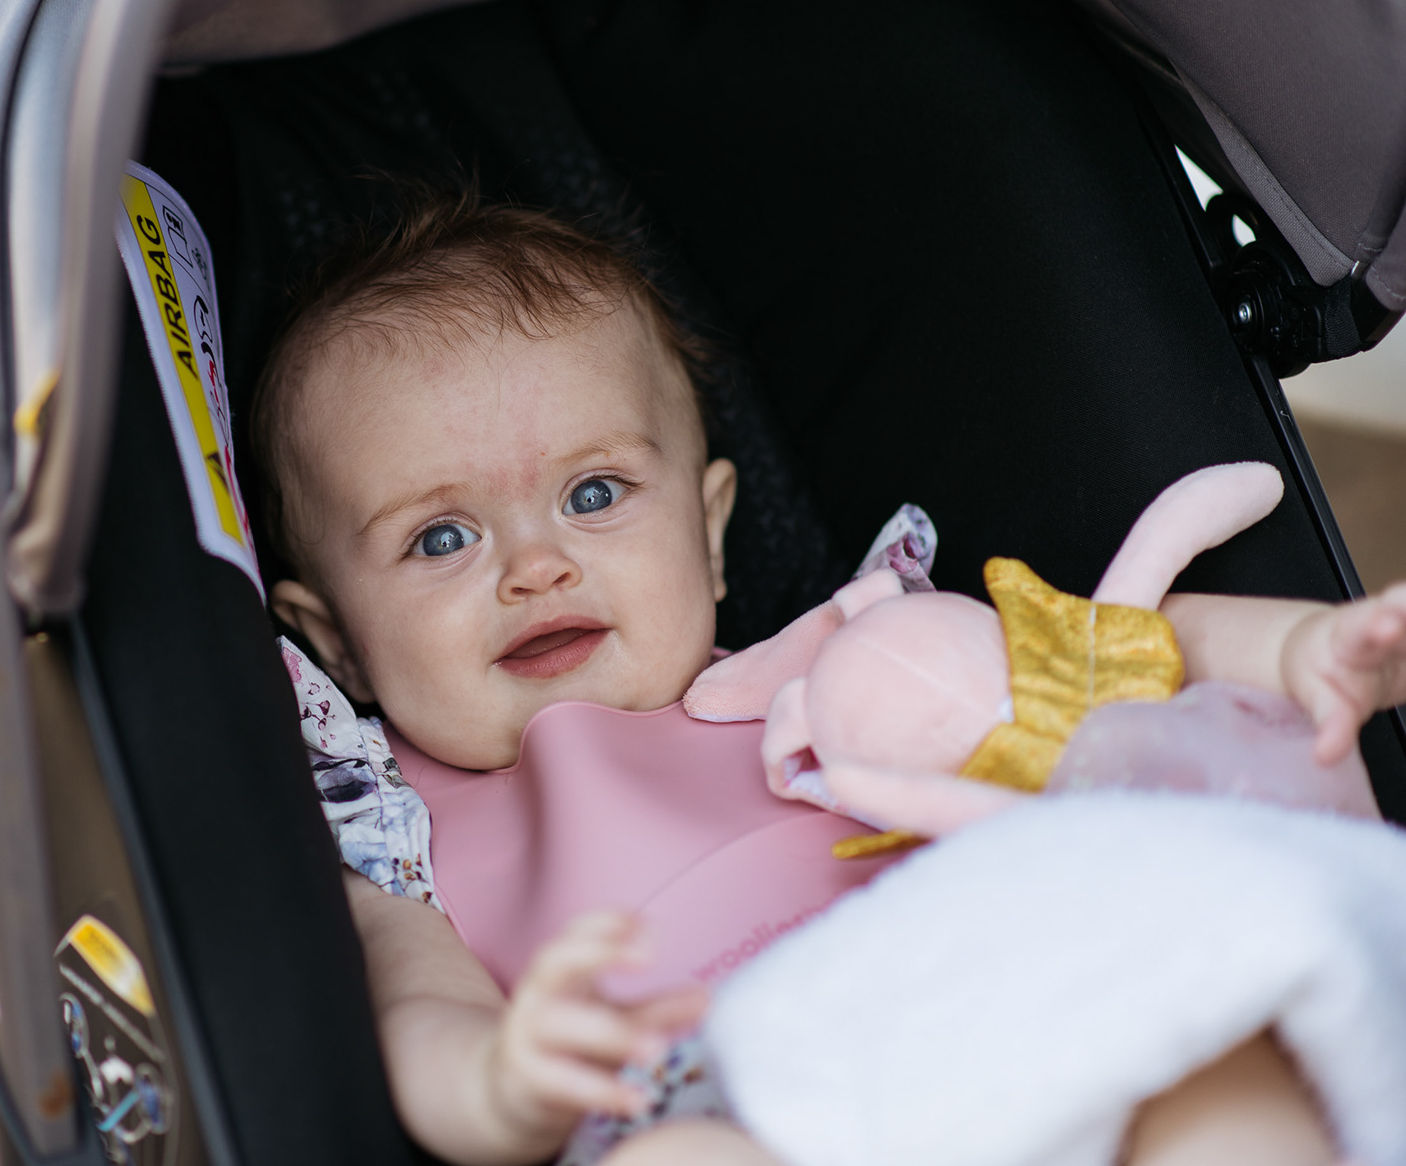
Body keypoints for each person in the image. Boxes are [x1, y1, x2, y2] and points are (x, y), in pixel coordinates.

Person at [246, 191, 1406, 1166]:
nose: (535, 566)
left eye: (594, 495)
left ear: (709, 534)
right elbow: (419, 1015)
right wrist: (504, 1087)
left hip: (971, 979)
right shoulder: (393, 843)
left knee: (1201, 1019)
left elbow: (1110, 648)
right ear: (332, 638)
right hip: (723, 1096)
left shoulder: (846, 657)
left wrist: (1295, 650)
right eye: (441, 538)